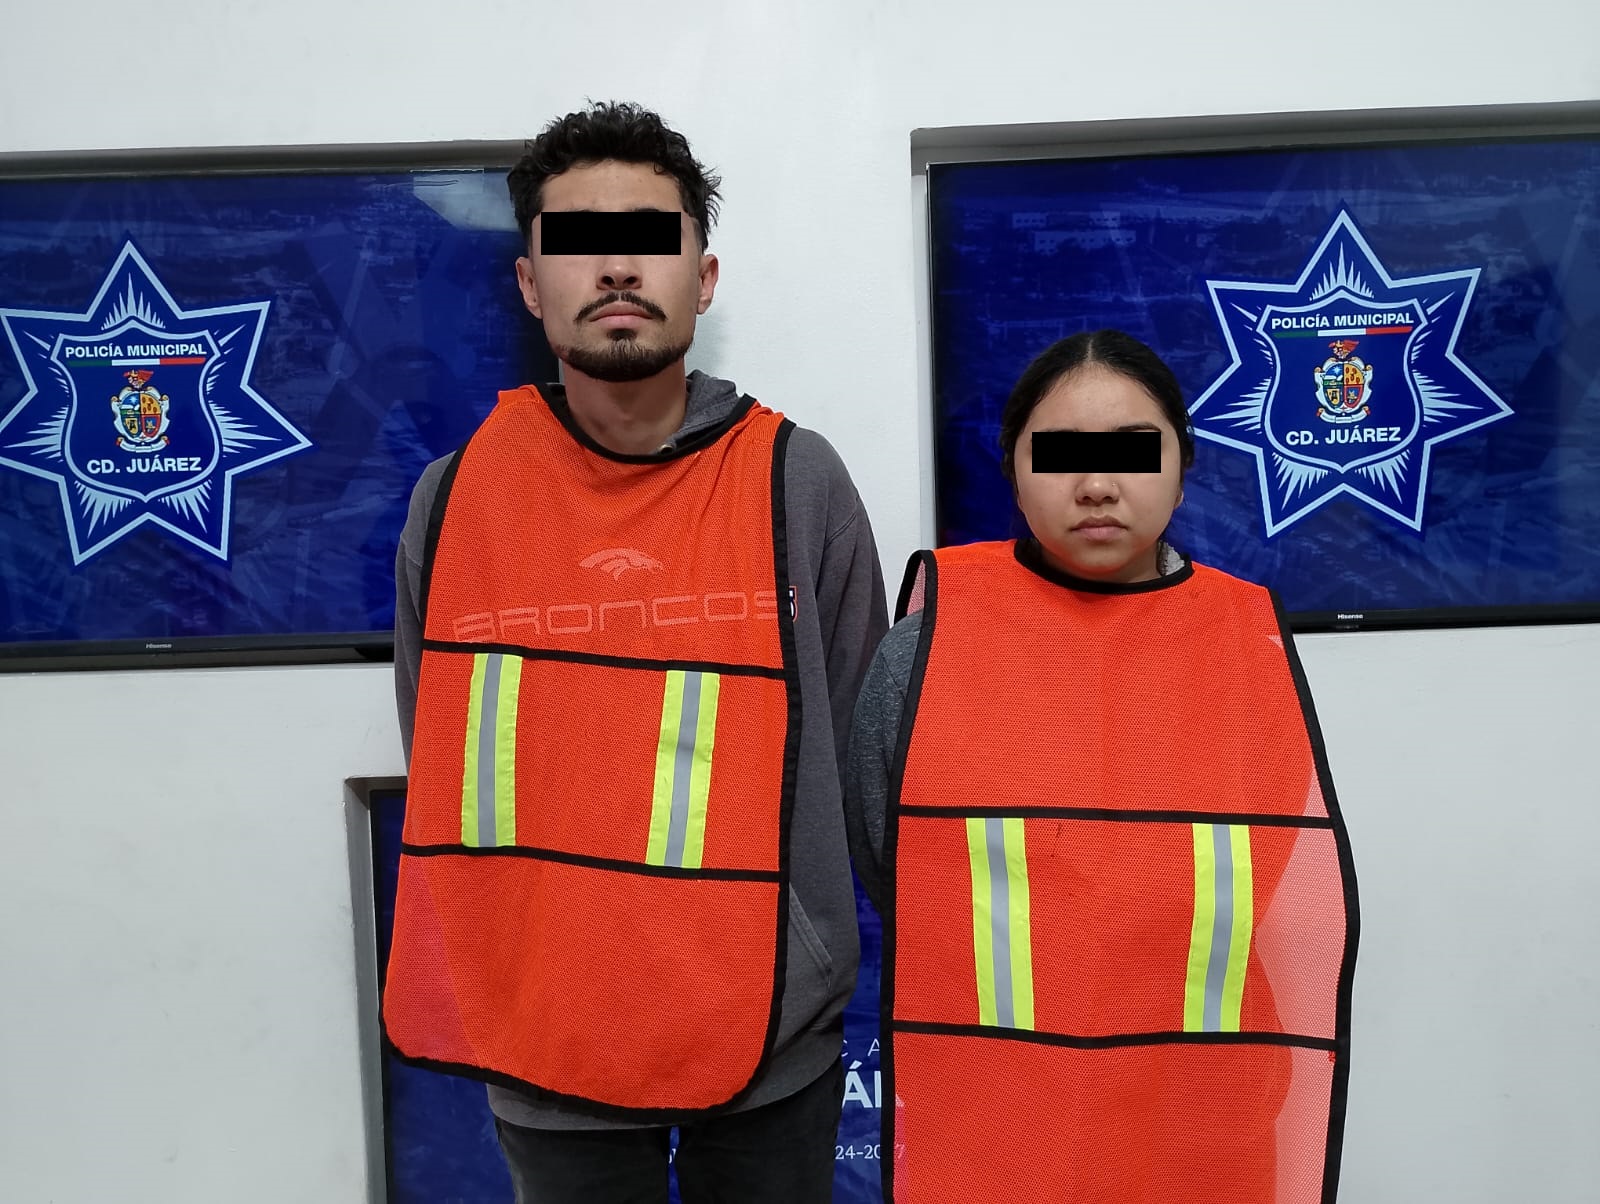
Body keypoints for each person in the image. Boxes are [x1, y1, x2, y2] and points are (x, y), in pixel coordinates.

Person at [384, 100, 888, 1204]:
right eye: (578, 242)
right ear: (530, 285)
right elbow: (436, 743)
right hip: (541, 1026)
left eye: (651, 239)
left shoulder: (798, 480)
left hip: (771, 1029)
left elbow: (864, 751)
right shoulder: (455, 499)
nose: (616, 267)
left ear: (703, 278)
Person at [846, 329, 1359, 1203]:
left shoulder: (1251, 647)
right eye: (1060, 454)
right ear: (1013, 470)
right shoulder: (925, 649)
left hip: (1203, 1116)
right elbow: (889, 862)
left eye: (1132, 452)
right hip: (995, 1110)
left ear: (1183, 467)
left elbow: (1270, 865)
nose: (1095, 484)